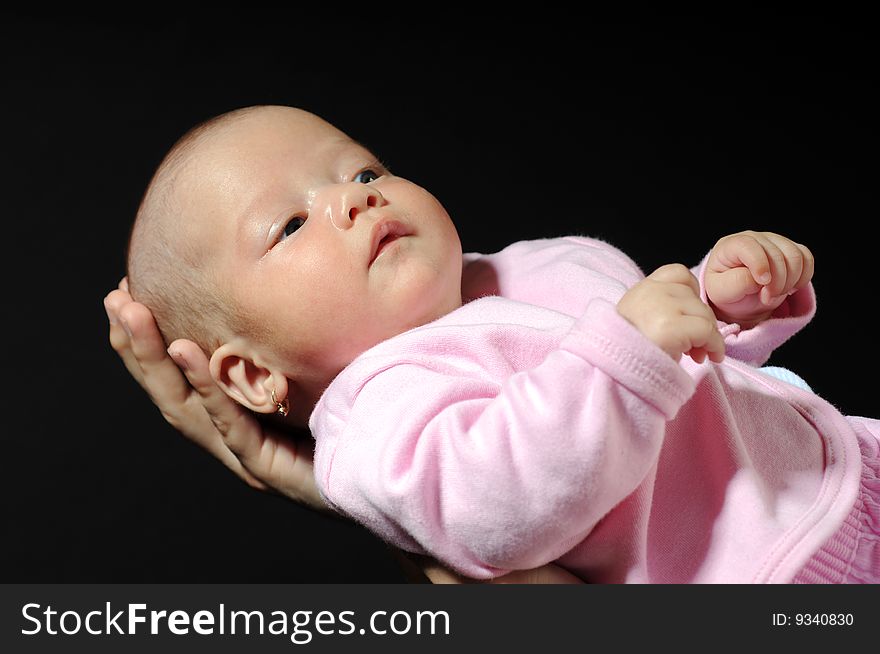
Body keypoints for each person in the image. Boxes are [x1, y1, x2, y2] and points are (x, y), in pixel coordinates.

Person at [109, 104, 878, 583]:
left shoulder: (526, 264)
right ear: (250, 374)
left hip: (844, 463)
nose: (352, 197)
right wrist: (632, 349)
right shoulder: (380, 415)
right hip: (776, 576)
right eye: (291, 224)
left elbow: (678, 379)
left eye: (362, 168)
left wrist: (719, 301)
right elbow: (499, 505)